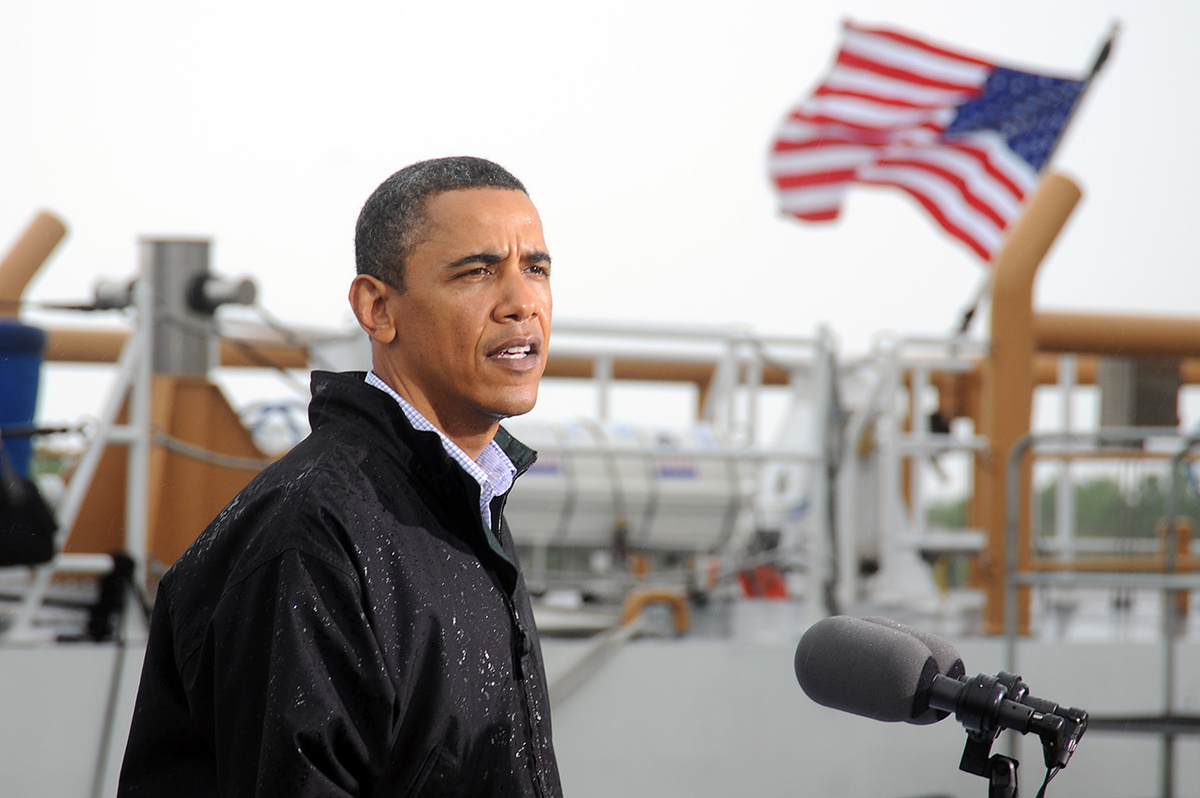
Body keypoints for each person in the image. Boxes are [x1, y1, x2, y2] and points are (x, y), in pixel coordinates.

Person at [118, 156, 564, 797]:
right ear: (377, 308)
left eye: (537, 269)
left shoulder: (460, 503)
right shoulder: (314, 535)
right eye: (477, 271)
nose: (522, 303)